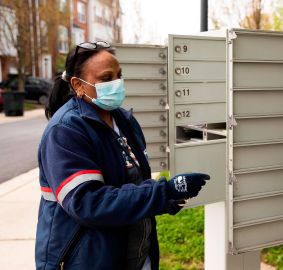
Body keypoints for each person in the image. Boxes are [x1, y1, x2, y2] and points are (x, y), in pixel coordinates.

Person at [35, 41, 210, 270]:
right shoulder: (65, 131)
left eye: (119, 75)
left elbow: (133, 183)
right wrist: (165, 191)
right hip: (87, 260)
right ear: (78, 85)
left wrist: (165, 200)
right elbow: (88, 202)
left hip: (136, 254)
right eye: (107, 78)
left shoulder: (124, 121)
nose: (116, 83)